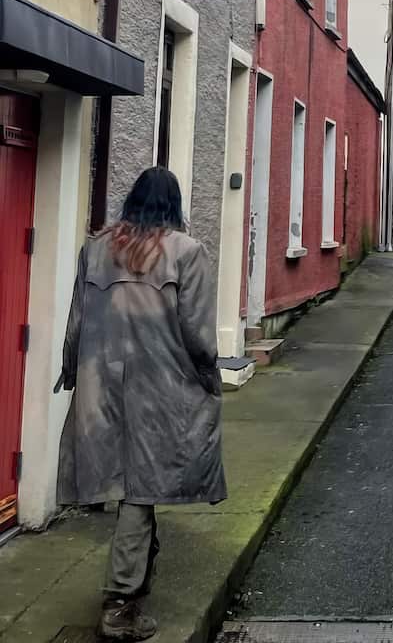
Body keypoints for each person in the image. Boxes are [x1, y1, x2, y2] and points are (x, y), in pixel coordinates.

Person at [57, 167, 226, 641]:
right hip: (161, 388)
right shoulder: (185, 252)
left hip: (102, 384)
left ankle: (135, 582)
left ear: (131, 201)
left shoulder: (95, 249)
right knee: (140, 487)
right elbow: (198, 335)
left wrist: (71, 371)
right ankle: (120, 604)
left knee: (128, 480)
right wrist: (210, 378)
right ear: (173, 205)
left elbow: (77, 320)